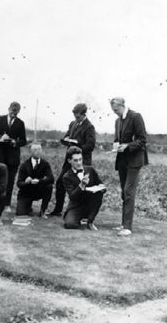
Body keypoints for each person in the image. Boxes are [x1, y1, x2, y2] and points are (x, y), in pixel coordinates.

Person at [111, 97, 148, 236]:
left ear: (122, 105)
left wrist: (127, 146)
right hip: (122, 160)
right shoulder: (117, 121)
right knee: (123, 192)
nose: (115, 113)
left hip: (135, 160)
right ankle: (123, 224)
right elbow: (118, 139)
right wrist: (116, 145)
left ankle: (128, 227)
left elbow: (142, 140)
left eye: (116, 110)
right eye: (113, 111)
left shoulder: (136, 117)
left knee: (128, 191)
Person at [50, 103, 96, 216]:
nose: (76, 118)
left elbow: (90, 146)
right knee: (60, 182)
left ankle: (81, 213)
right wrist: (65, 140)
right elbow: (67, 137)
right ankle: (58, 210)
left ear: (84, 114)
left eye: (78, 116)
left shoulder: (89, 127)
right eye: (75, 116)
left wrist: (78, 148)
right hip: (69, 160)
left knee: (79, 186)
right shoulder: (73, 124)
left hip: (81, 161)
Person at [62, 146, 106, 230]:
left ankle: (90, 220)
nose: (79, 163)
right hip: (76, 206)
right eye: (75, 160)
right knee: (70, 224)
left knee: (99, 194)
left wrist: (102, 188)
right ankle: (78, 219)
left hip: (90, 205)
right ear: (69, 161)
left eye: (80, 159)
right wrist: (81, 185)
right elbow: (72, 196)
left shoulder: (90, 170)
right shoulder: (66, 176)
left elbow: (101, 184)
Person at [15, 143, 54, 218]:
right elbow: (19, 183)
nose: (38, 151)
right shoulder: (24, 165)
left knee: (49, 187)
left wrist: (39, 180)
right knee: (21, 214)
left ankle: (43, 211)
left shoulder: (45, 164)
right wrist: (26, 182)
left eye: (40, 149)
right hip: (26, 192)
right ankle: (28, 207)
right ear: (30, 152)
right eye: (35, 150)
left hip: (39, 190)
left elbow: (51, 179)